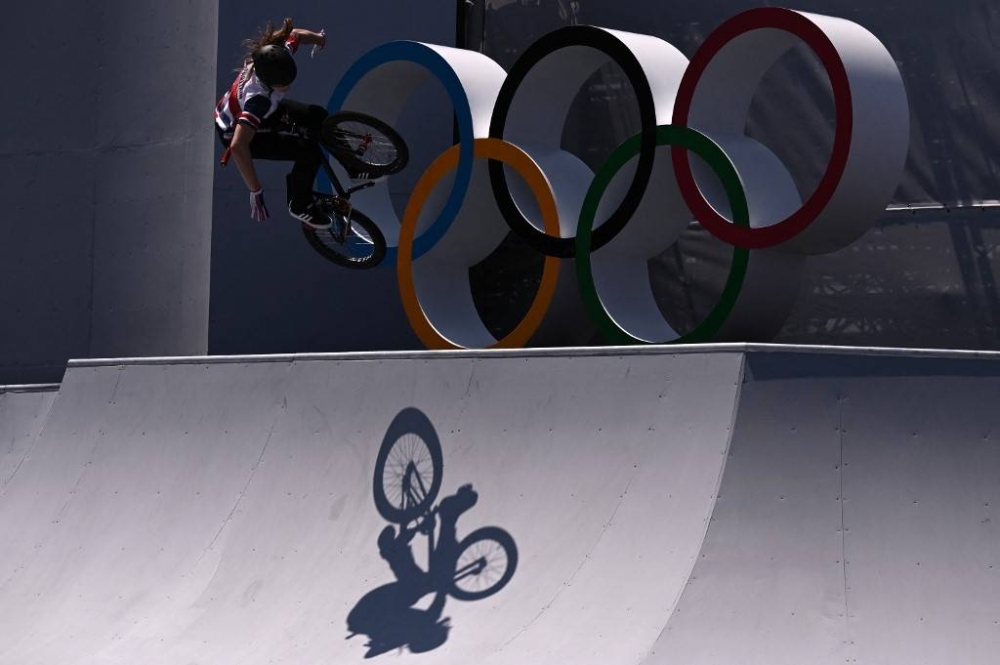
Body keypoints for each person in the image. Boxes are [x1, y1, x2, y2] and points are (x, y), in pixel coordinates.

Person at [214, 18, 332, 229]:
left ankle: (355, 165)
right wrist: (255, 189)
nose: (287, 88)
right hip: (239, 135)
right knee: (308, 152)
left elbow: (295, 34)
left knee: (318, 116)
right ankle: (300, 204)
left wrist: (318, 39)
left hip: (257, 110)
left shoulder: (275, 56)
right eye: (282, 85)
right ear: (269, 83)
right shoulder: (258, 101)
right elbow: (238, 147)